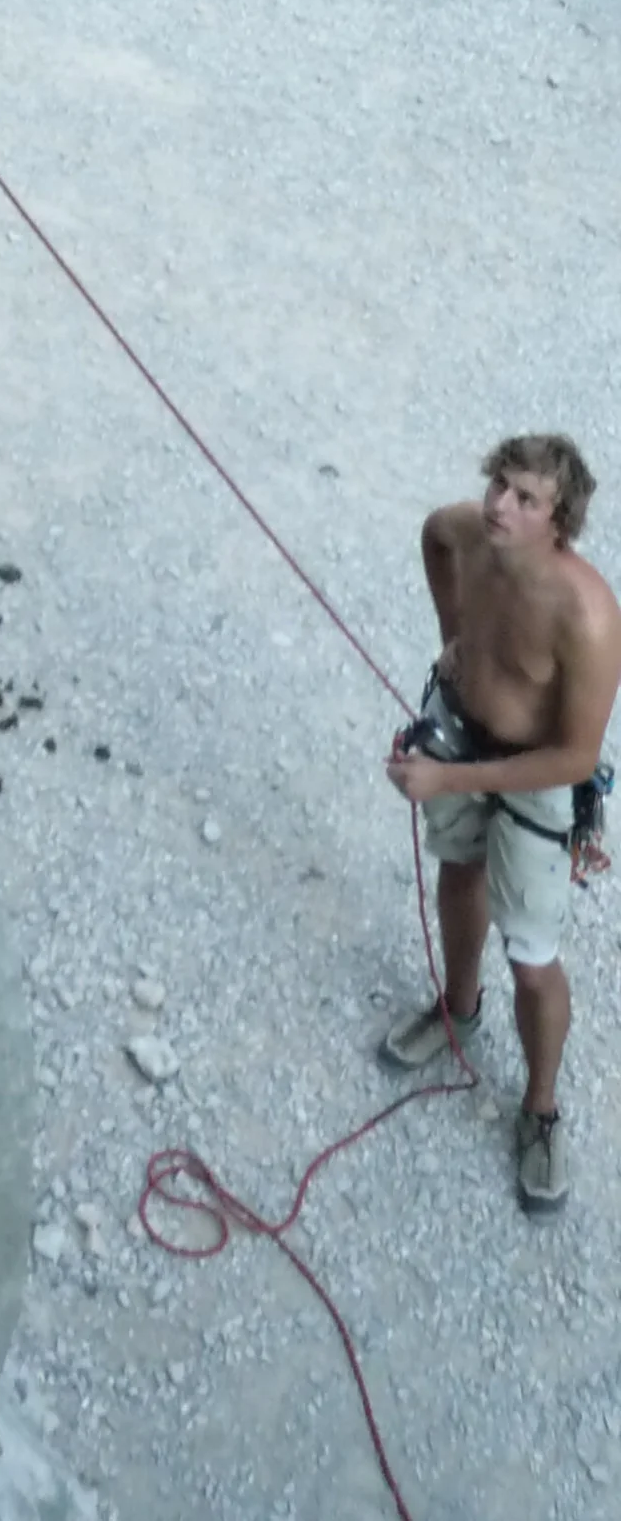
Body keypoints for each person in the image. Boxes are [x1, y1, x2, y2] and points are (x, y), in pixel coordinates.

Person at [378, 434, 621, 1213]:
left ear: (559, 520)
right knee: (459, 872)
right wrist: (451, 633)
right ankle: (458, 1009)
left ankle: (541, 1111)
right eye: (498, 485)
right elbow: (434, 536)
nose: (498, 506)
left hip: (536, 776)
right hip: (461, 728)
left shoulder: (587, 616)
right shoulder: (469, 533)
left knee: (533, 954)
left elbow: (575, 756)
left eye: (525, 498)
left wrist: (449, 777)